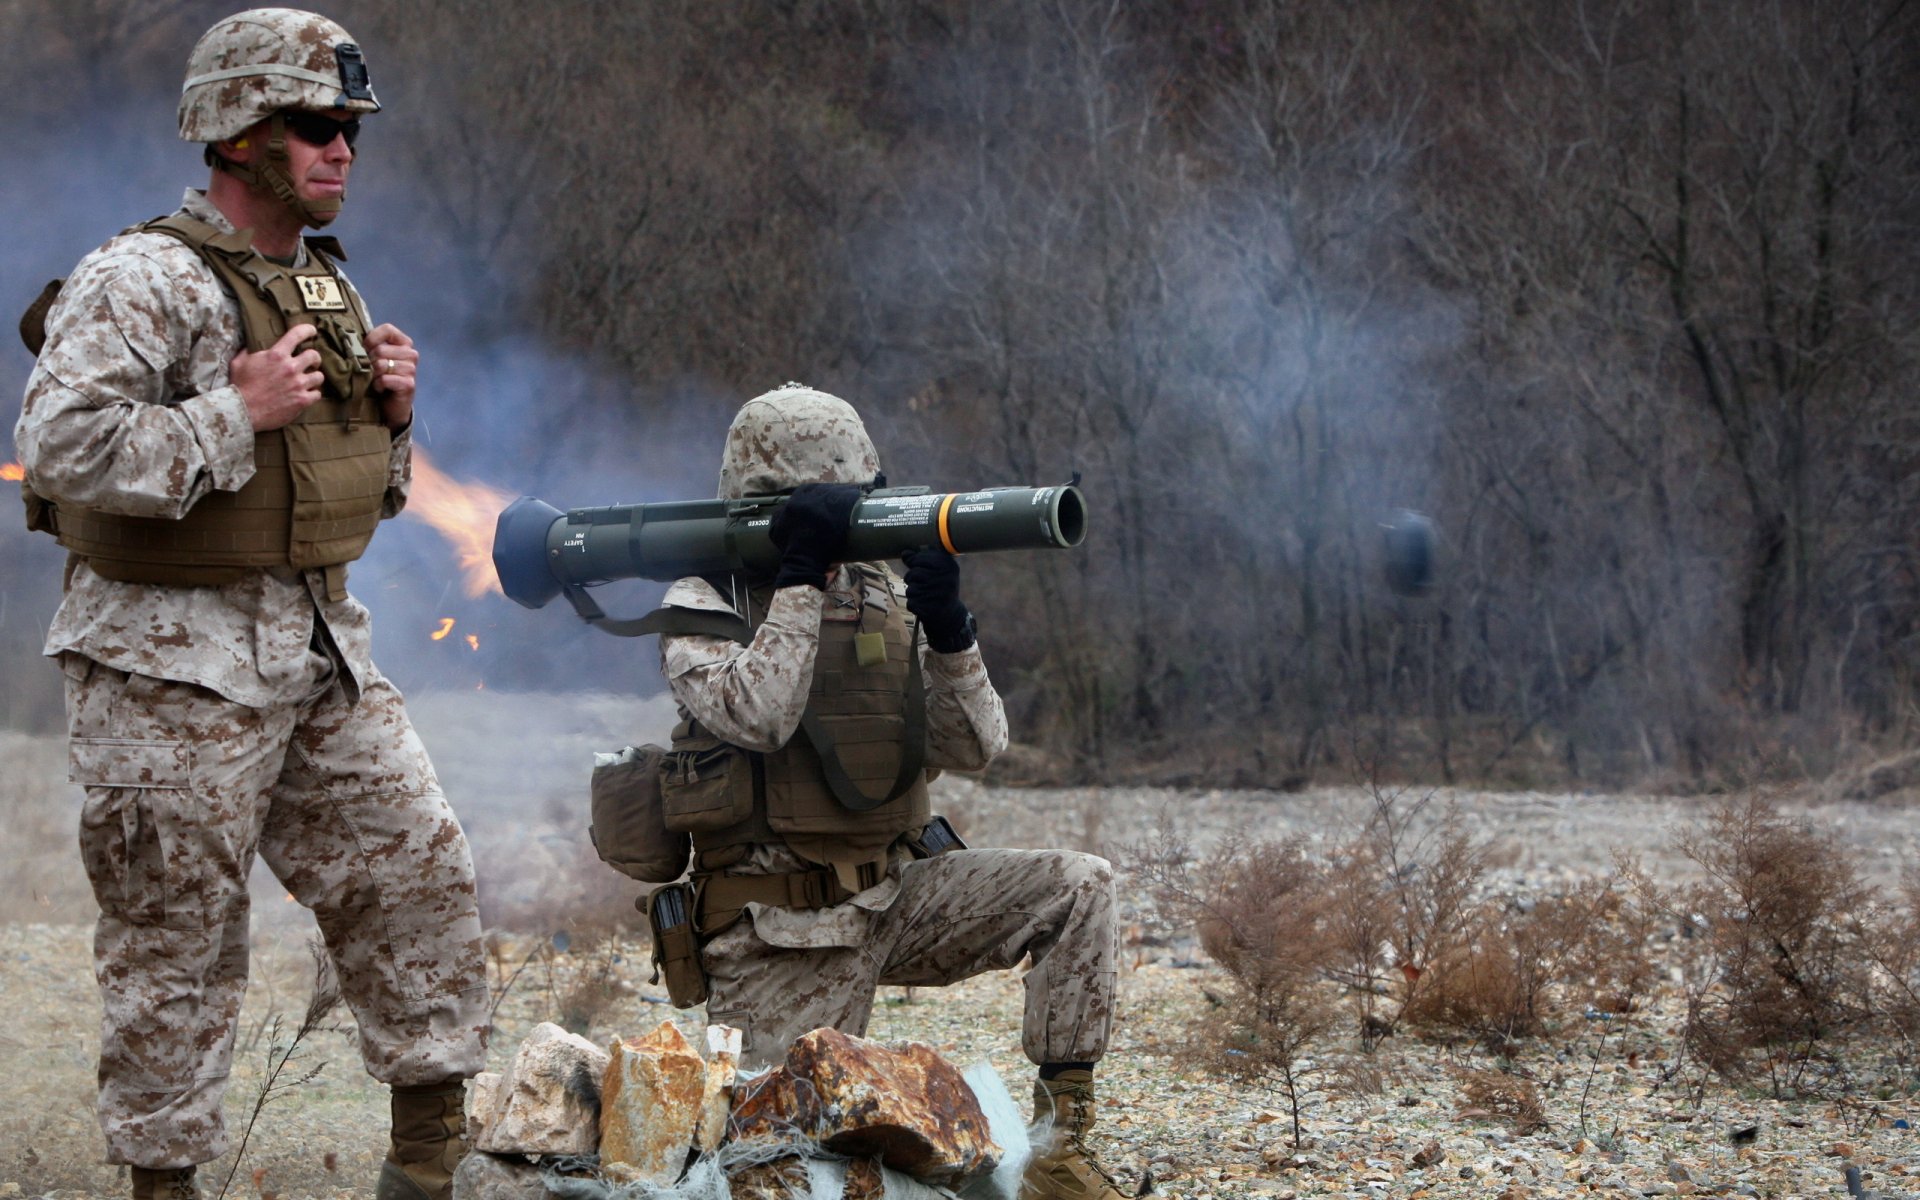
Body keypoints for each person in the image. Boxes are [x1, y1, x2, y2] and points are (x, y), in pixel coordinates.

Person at [13, 10, 485, 1200]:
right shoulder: (144, 279)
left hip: (316, 647)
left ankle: (428, 1160)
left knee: (416, 870)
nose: (343, 151)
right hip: (168, 669)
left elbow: (346, 492)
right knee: (176, 945)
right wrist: (236, 412)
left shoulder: (320, 281)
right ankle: (163, 1186)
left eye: (351, 131)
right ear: (238, 133)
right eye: (316, 127)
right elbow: (58, 445)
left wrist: (390, 417)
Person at [648, 384, 1128, 1200]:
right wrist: (800, 581)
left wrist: (949, 630)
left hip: (899, 894)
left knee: (1079, 887)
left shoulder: (879, 591)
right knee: (783, 1167)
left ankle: (1059, 1154)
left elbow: (978, 746)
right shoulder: (701, 599)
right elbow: (759, 715)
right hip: (780, 930)